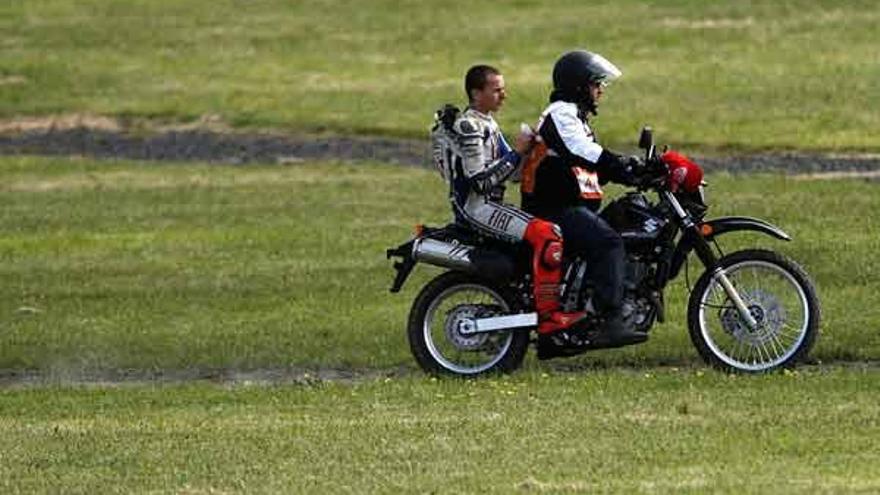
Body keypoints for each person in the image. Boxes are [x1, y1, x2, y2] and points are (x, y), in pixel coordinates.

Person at [439, 64, 589, 336]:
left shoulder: (488, 123)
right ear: (476, 93)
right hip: (478, 209)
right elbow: (481, 182)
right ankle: (548, 316)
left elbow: (514, 173)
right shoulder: (469, 126)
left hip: (490, 206)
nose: (504, 95)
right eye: (497, 90)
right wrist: (517, 152)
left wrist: (535, 151)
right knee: (548, 234)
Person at [520, 50, 648, 348]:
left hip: (568, 206)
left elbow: (589, 167)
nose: (600, 90)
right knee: (608, 242)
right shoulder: (561, 113)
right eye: (595, 84)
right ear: (579, 85)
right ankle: (610, 321)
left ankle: (590, 306)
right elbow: (582, 151)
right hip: (553, 210)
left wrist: (634, 171)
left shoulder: (574, 116)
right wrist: (621, 165)